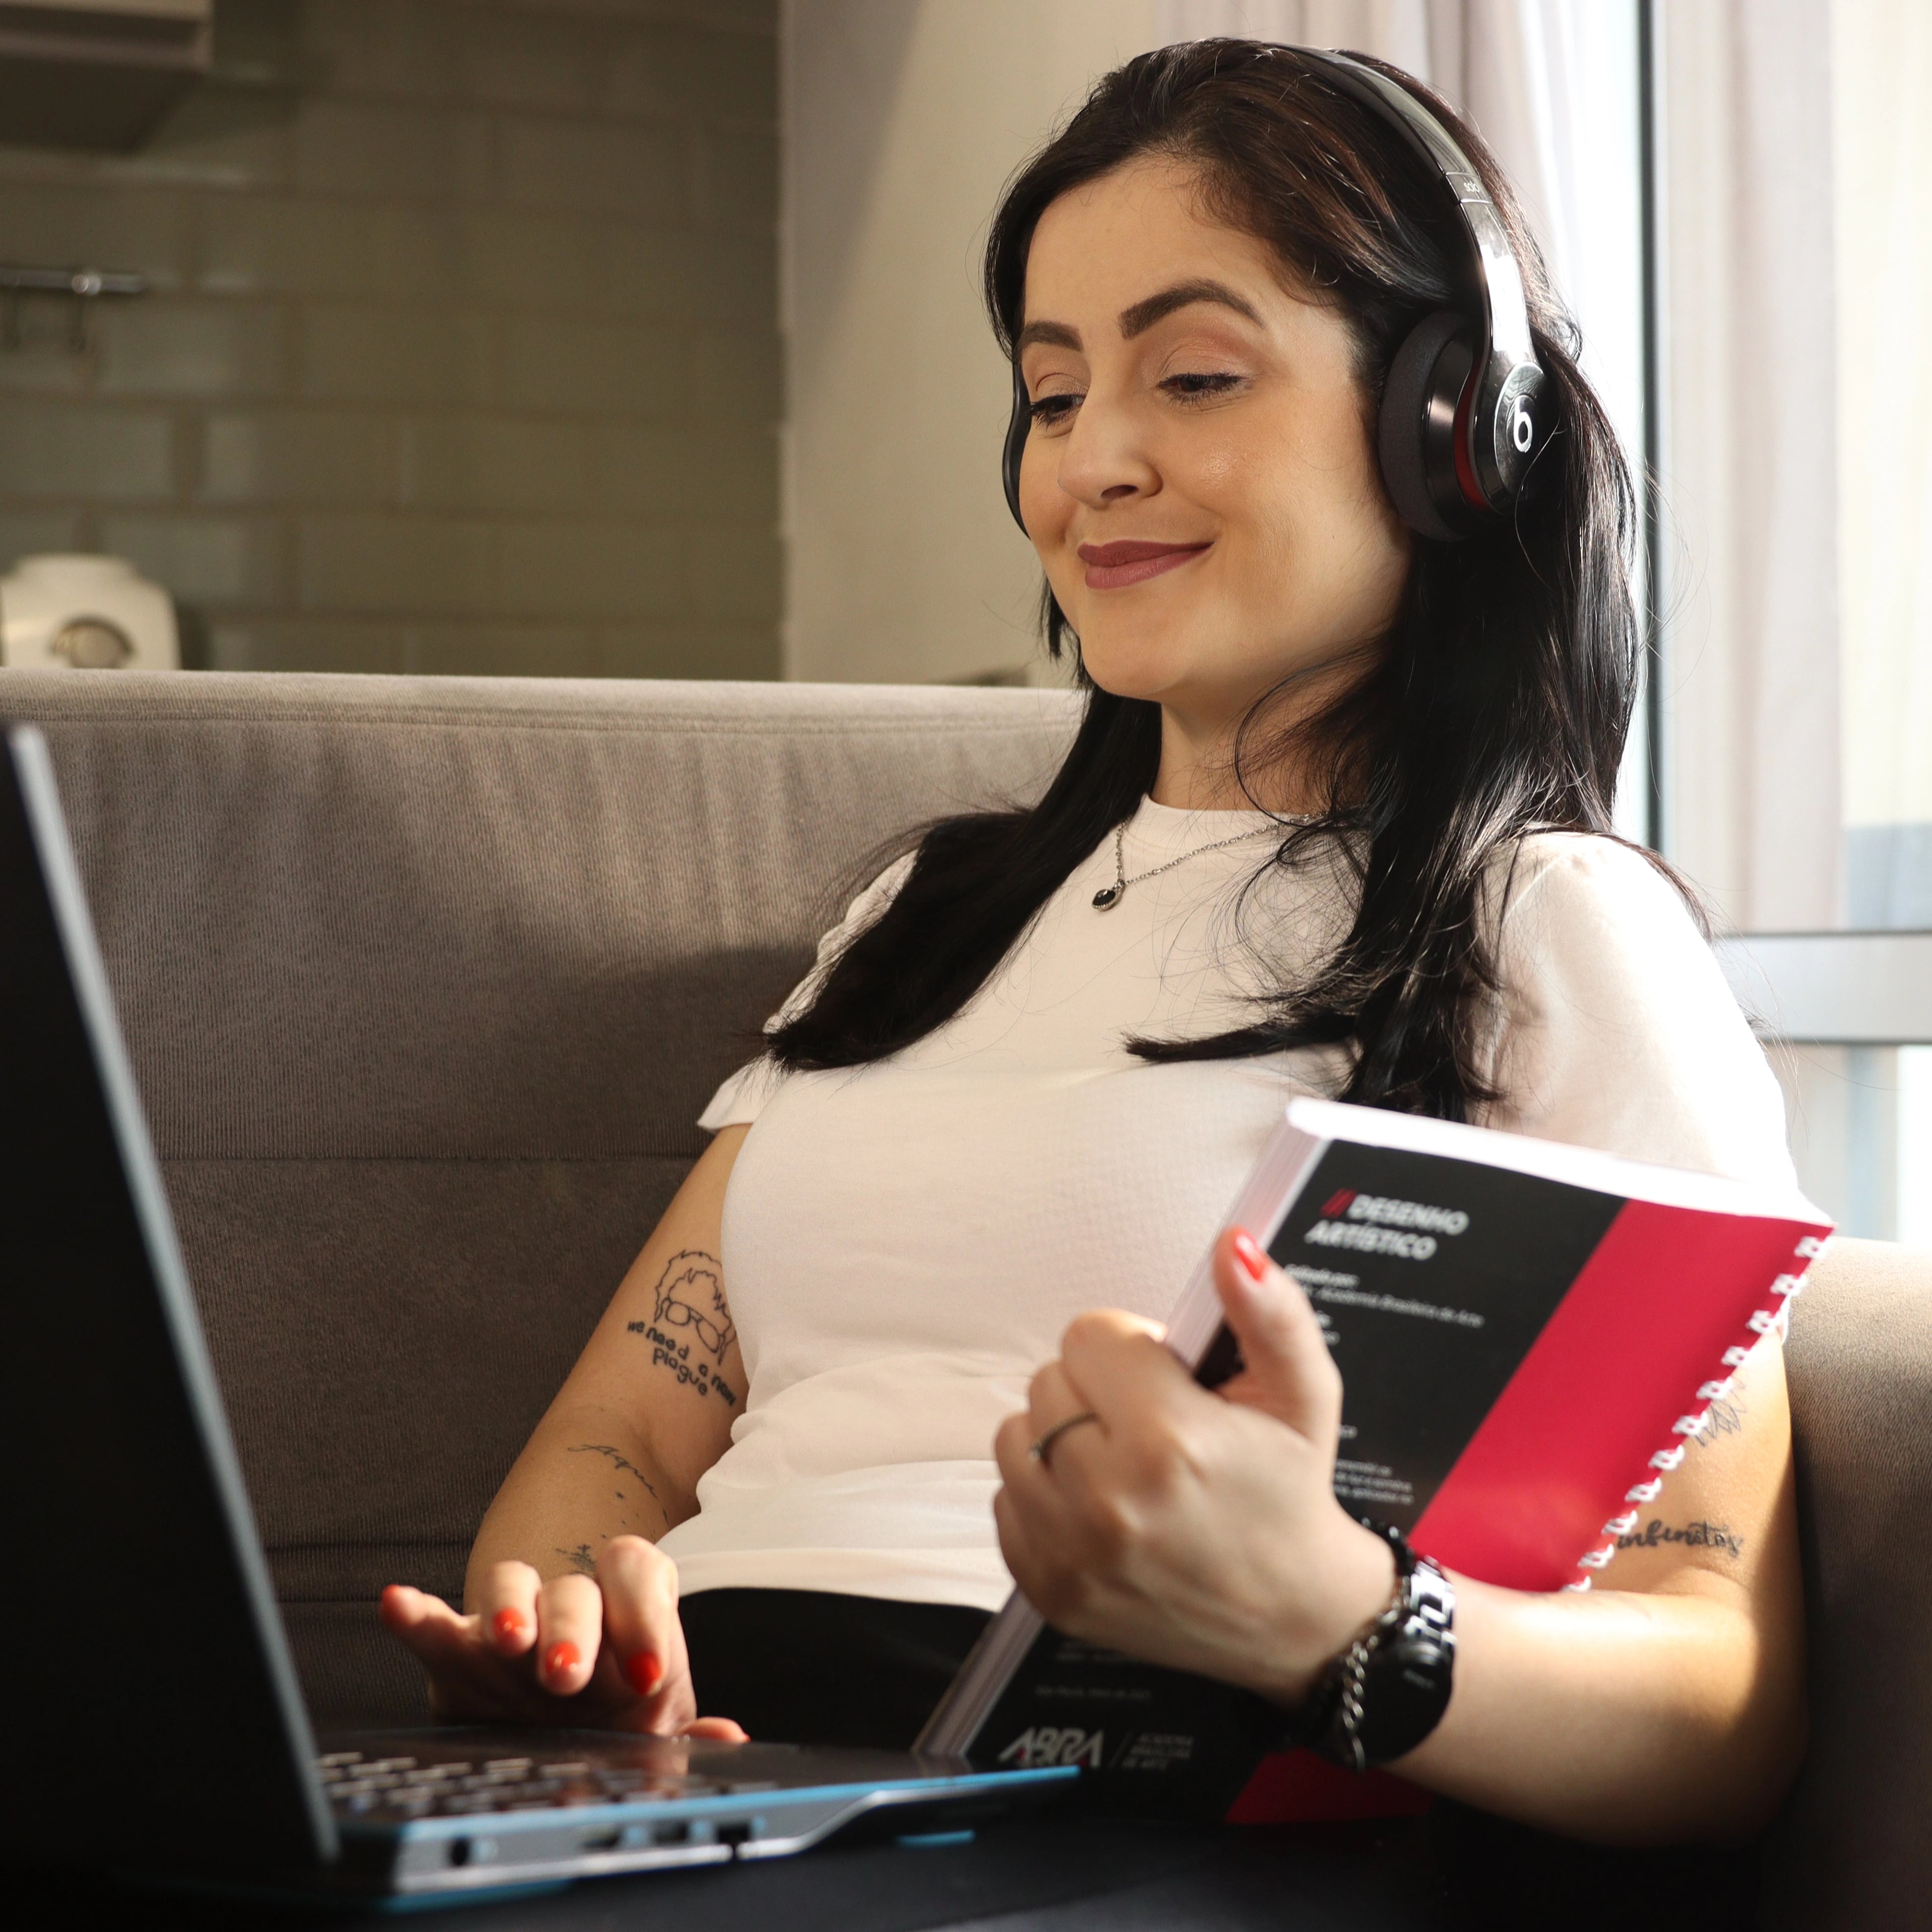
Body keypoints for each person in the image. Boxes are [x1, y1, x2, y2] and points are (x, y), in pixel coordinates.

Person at [381, 42, 1803, 1841]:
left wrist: (1343, 1620)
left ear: (1452, 428)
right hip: (695, 1788)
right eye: (1052, 398)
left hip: (1100, 1803)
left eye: (1192, 374)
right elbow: (624, 1440)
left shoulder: (1543, 931)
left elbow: (1717, 1694)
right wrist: (570, 1625)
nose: (1094, 463)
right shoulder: (928, 917)